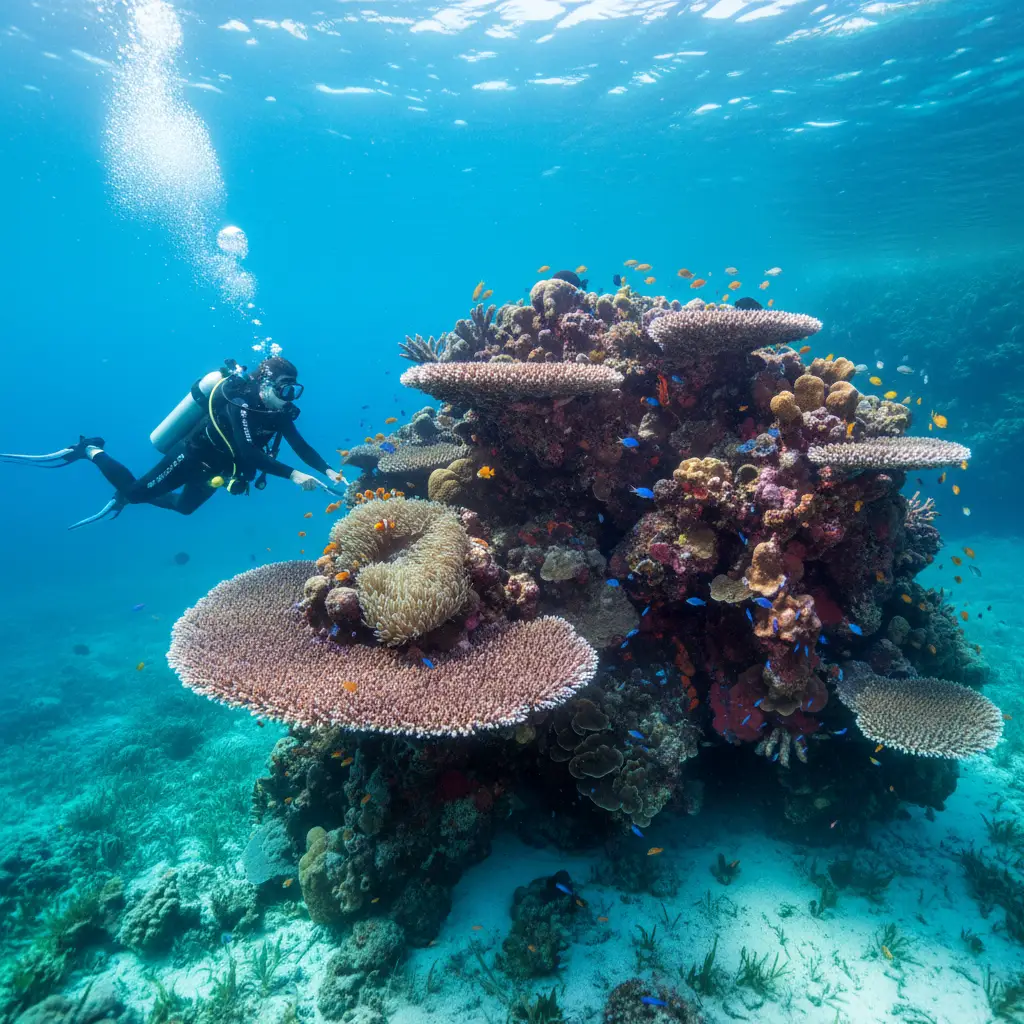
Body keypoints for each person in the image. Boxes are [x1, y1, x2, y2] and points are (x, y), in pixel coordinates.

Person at [1, 356, 345, 529]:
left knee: (184, 508)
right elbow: (247, 452)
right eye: (284, 389)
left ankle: (129, 490)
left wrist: (328, 470)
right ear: (265, 383)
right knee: (137, 494)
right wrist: (295, 476)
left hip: (220, 471)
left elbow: (301, 446)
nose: (288, 398)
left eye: (293, 391)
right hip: (192, 457)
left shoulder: (278, 412)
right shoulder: (238, 402)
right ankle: (89, 449)